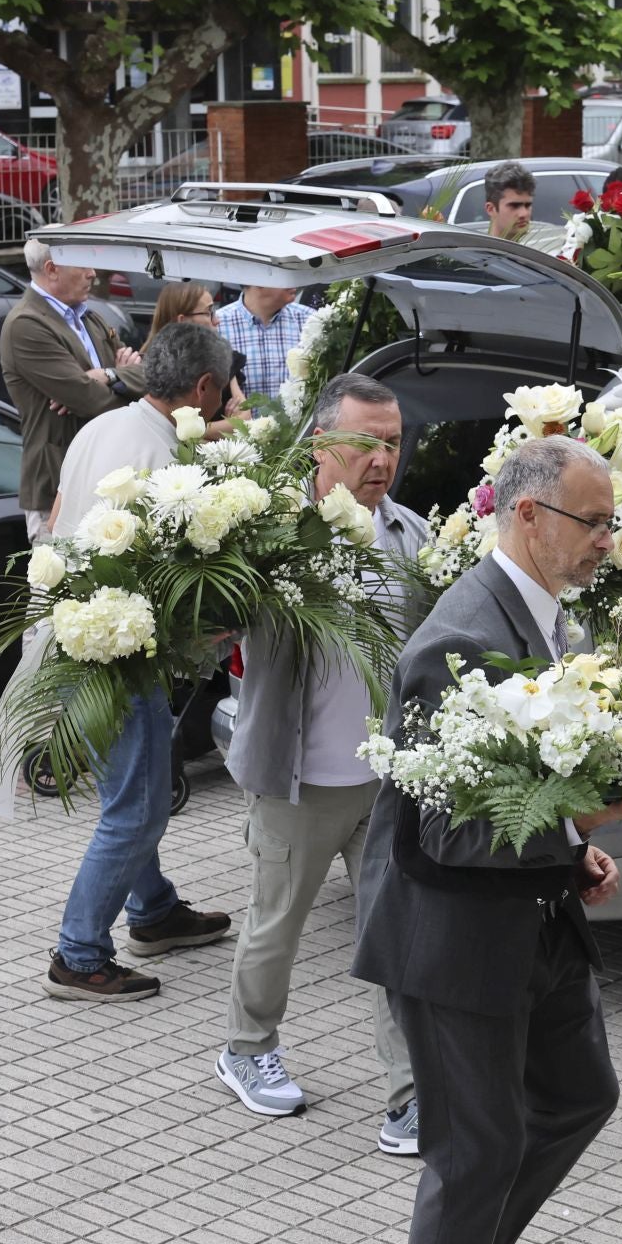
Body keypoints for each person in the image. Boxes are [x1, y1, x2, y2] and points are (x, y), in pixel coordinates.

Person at [353, 436, 622, 1244]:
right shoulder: (456, 640)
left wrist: (570, 847)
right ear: (528, 515)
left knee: (579, 1097)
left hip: (535, 917)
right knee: (475, 1155)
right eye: (594, 521)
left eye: (612, 521)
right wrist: (582, 822)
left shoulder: (549, 614)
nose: (609, 539)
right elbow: (437, 831)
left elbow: (524, 788)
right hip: (453, 941)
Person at [214, 373, 429, 1153]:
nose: (382, 459)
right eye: (365, 440)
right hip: (298, 779)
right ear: (320, 443)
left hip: (383, 781)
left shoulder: (410, 537)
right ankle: (246, 1050)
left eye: (394, 442)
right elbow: (212, 624)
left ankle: (409, 1092)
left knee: (396, 933)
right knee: (277, 926)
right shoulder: (269, 534)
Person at [41, 322, 236, 1002]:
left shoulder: (105, 427)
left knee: (137, 793)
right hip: (117, 654)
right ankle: (78, 952)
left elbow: (59, 517)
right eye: (223, 387)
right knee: (136, 807)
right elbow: (169, 573)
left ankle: (153, 911)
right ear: (205, 386)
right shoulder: (164, 457)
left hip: (80, 640)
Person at [1, 239, 145, 543]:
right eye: (83, 264)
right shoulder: (25, 324)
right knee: (59, 583)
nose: (93, 273)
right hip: (58, 484)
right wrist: (116, 383)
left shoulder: (89, 316)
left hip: (107, 473)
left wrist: (108, 375)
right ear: (52, 269)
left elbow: (148, 376)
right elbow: (89, 399)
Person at [149, 284, 249, 436]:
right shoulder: (154, 366)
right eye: (209, 312)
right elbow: (162, 425)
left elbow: (244, 420)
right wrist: (216, 429)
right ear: (183, 321)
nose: (217, 320)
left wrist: (189, 431)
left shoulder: (222, 358)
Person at [217, 284, 311, 404]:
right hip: (241, 422)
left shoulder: (310, 320)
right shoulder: (218, 325)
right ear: (257, 279)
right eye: (282, 271)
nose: (292, 281)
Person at [484, 160, 537, 240]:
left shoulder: (539, 249)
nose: (524, 214)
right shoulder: (475, 251)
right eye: (514, 206)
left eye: (527, 205)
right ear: (491, 209)